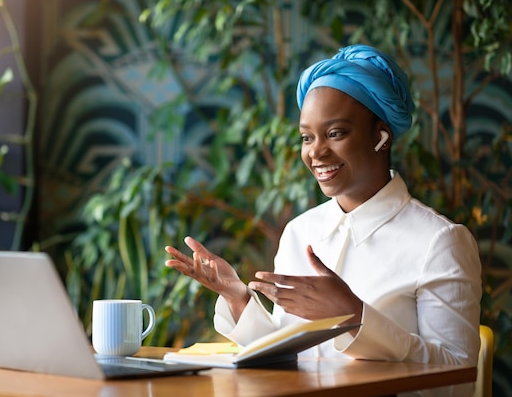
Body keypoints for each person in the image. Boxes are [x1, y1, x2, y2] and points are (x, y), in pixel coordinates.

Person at [164, 44, 482, 397]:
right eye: (307, 137)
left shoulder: (439, 241)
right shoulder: (300, 232)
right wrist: (238, 298)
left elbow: (457, 379)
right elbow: (291, 361)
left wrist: (355, 315)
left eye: (335, 133)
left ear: (381, 136)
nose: (315, 152)